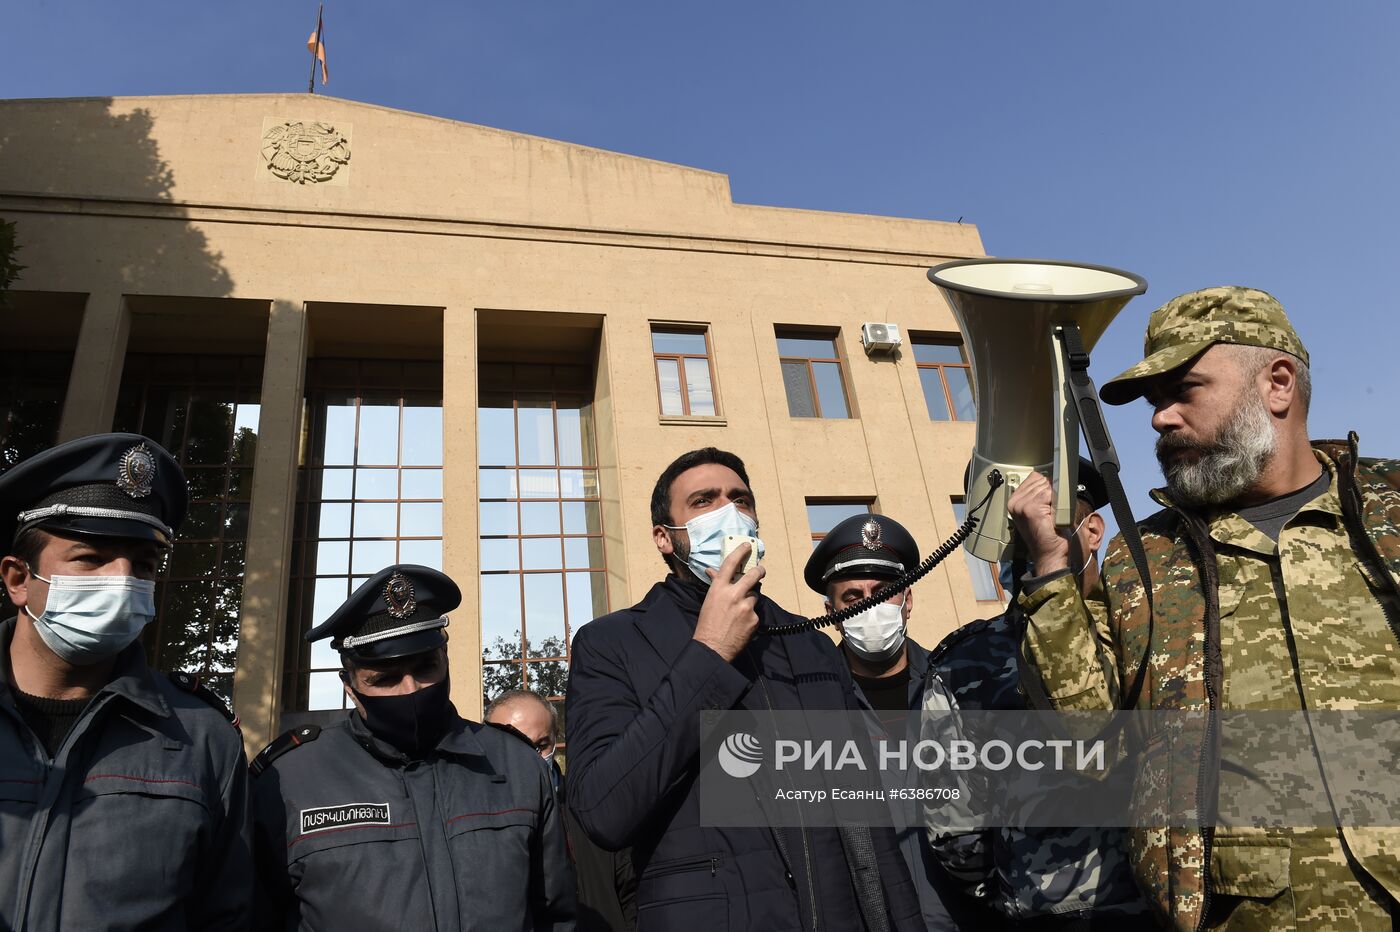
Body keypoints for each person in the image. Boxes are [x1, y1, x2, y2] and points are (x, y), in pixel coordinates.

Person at [1006, 286, 1400, 931]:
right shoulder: (1144, 559)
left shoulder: (1389, 510)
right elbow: (1085, 743)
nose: (1160, 419)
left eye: (1183, 390)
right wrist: (1051, 568)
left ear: (1277, 385)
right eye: (1153, 402)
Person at [565, 447, 924, 931]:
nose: (729, 512)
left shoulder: (809, 644)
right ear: (664, 539)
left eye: (740, 499)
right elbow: (602, 811)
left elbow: (868, 820)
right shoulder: (612, 643)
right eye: (703, 501)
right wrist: (708, 653)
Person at [0, 432, 252, 930]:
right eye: (90, 558)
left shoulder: (203, 740)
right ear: (17, 579)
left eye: (142, 565)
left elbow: (227, 915)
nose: (122, 580)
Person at [250, 564, 576, 931]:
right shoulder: (289, 780)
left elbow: (557, 916)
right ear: (350, 686)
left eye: (425, 668)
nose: (411, 689)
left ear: (446, 659)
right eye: (385, 678)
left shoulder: (517, 766)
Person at [922, 459, 1147, 928]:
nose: (1030, 539)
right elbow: (956, 828)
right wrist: (1022, 892)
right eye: (1013, 530)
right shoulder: (965, 662)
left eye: (1046, 519)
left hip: (1168, 907)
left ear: (1093, 530)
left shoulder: (1150, 629)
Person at [805, 512, 995, 930]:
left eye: (884, 592)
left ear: (907, 599)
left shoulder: (962, 688)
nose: (870, 605)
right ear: (830, 611)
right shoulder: (808, 710)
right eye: (853, 597)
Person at [488, 689, 639, 932]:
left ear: (556, 739)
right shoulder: (477, 823)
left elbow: (633, 895)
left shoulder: (595, 807)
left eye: (541, 745)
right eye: (515, 746)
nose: (530, 758)